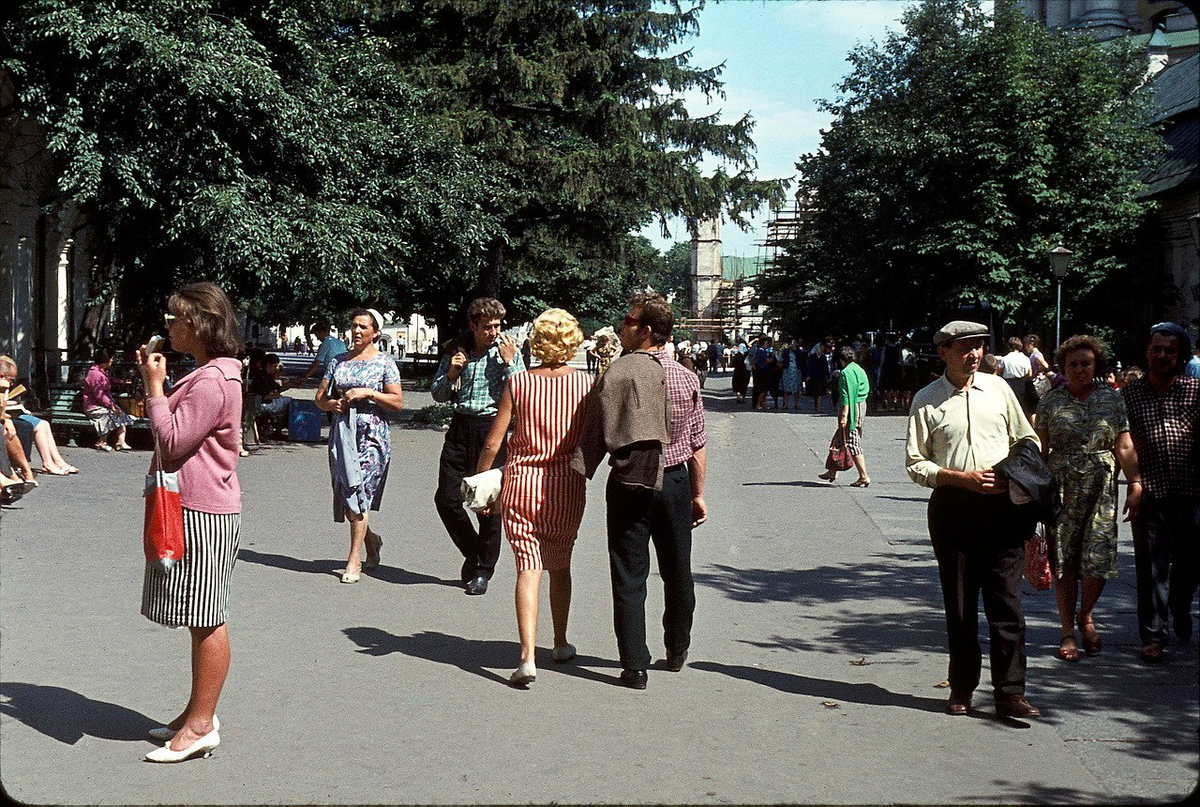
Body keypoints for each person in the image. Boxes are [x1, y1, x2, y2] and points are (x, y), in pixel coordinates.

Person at [906, 320, 1042, 720]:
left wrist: (1011, 471)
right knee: (961, 605)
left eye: (980, 347)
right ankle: (962, 686)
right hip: (954, 509)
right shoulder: (926, 400)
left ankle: (1011, 692)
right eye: (965, 347)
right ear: (943, 352)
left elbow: (1027, 439)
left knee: (1007, 605)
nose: (975, 354)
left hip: (1003, 509)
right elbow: (915, 464)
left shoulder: (999, 389)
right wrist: (957, 477)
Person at [575, 293, 708, 690]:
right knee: (677, 569)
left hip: (629, 481)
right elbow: (698, 442)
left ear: (647, 330)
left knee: (628, 574)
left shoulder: (615, 373)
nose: (621, 326)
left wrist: (578, 474)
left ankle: (634, 666)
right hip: (675, 481)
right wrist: (698, 494)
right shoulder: (687, 378)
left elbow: (592, 433)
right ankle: (678, 648)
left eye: (628, 321)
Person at [137, 282, 244, 762]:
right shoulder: (211, 374)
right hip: (200, 506)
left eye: (176, 317)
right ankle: (196, 713)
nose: (169, 325)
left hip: (202, 510)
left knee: (207, 620)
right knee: (200, 617)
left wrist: (155, 388)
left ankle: (201, 724)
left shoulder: (210, 381)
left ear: (199, 323)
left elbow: (174, 442)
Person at [476, 308, 593, 686]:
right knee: (560, 563)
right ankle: (559, 642)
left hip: (521, 483)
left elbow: (494, 440)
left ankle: (527, 656)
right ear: (572, 341)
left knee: (528, 568)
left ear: (536, 342)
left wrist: (481, 482)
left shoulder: (520, 383)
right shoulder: (586, 384)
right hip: (567, 485)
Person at [1035, 335, 1141, 662]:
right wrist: (1035, 494)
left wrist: (1135, 481)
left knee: (1097, 560)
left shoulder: (1112, 400)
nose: (1080, 369)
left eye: (1086, 363)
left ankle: (1087, 615)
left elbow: (1123, 445)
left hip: (1101, 488)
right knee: (1064, 560)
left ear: (1096, 365)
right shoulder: (1050, 402)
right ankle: (1068, 630)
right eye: (1074, 364)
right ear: (1063, 367)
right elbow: (1040, 449)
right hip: (1062, 489)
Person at [431, 298, 525, 595]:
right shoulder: (457, 351)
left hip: (492, 429)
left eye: (497, 326)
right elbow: (438, 394)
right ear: (473, 326)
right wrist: (451, 374)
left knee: (488, 505)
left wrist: (510, 362)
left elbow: (522, 395)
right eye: (487, 327)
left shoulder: (507, 352)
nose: (494, 332)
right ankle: (473, 551)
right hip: (460, 427)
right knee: (446, 499)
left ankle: (484, 570)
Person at [1122, 322, 1200, 663]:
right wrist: (1134, 483)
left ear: (1180, 355)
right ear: (1148, 352)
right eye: (1157, 349)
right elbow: (1122, 442)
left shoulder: (1196, 390)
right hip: (1150, 492)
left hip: (1192, 492)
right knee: (1152, 568)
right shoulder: (1130, 395)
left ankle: (1181, 606)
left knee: (1191, 564)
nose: (1163, 355)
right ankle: (1153, 635)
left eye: (1170, 351)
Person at [314, 309, 403, 584]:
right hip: (344, 433)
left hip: (372, 435)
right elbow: (319, 397)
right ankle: (372, 540)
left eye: (363, 326)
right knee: (347, 493)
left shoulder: (384, 363)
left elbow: (398, 402)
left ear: (375, 332)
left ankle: (353, 560)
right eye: (353, 325)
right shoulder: (338, 361)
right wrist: (332, 404)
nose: (357, 331)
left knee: (359, 491)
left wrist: (370, 393)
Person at [0, 355, 81, 473]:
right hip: (8, 416)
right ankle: (48, 463)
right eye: (11, 379)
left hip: (12, 414)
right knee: (37, 426)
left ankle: (58, 461)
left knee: (44, 424)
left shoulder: (4, 387)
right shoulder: (3, 386)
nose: (12, 383)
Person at [819, 346, 871, 486]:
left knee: (852, 443)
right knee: (838, 439)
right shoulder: (858, 369)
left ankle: (864, 476)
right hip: (861, 406)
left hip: (852, 409)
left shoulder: (846, 373)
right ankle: (832, 471)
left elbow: (847, 395)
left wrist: (844, 416)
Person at [81, 347, 136, 453]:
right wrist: (111, 405)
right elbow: (99, 395)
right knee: (111, 415)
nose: (112, 361)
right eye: (111, 359)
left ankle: (120, 441)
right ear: (105, 360)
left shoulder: (101, 372)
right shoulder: (94, 374)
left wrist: (121, 382)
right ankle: (101, 442)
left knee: (120, 414)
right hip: (93, 406)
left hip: (102, 404)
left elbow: (108, 380)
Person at [250, 353, 297, 438]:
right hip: (261, 404)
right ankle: (279, 429)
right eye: (275, 366)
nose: (276, 369)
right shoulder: (263, 377)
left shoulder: (264, 375)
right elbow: (265, 396)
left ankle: (277, 429)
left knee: (285, 400)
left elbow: (278, 388)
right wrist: (275, 395)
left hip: (260, 402)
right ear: (269, 365)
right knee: (290, 402)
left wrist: (291, 385)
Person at [805, 341, 831, 413]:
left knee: (820, 392)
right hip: (814, 376)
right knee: (814, 393)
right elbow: (809, 366)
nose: (822, 349)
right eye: (821, 348)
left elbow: (826, 367)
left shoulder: (823, 357)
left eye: (823, 348)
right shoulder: (812, 357)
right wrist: (808, 375)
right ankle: (815, 405)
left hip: (821, 376)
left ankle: (819, 407)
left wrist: (828, 376)